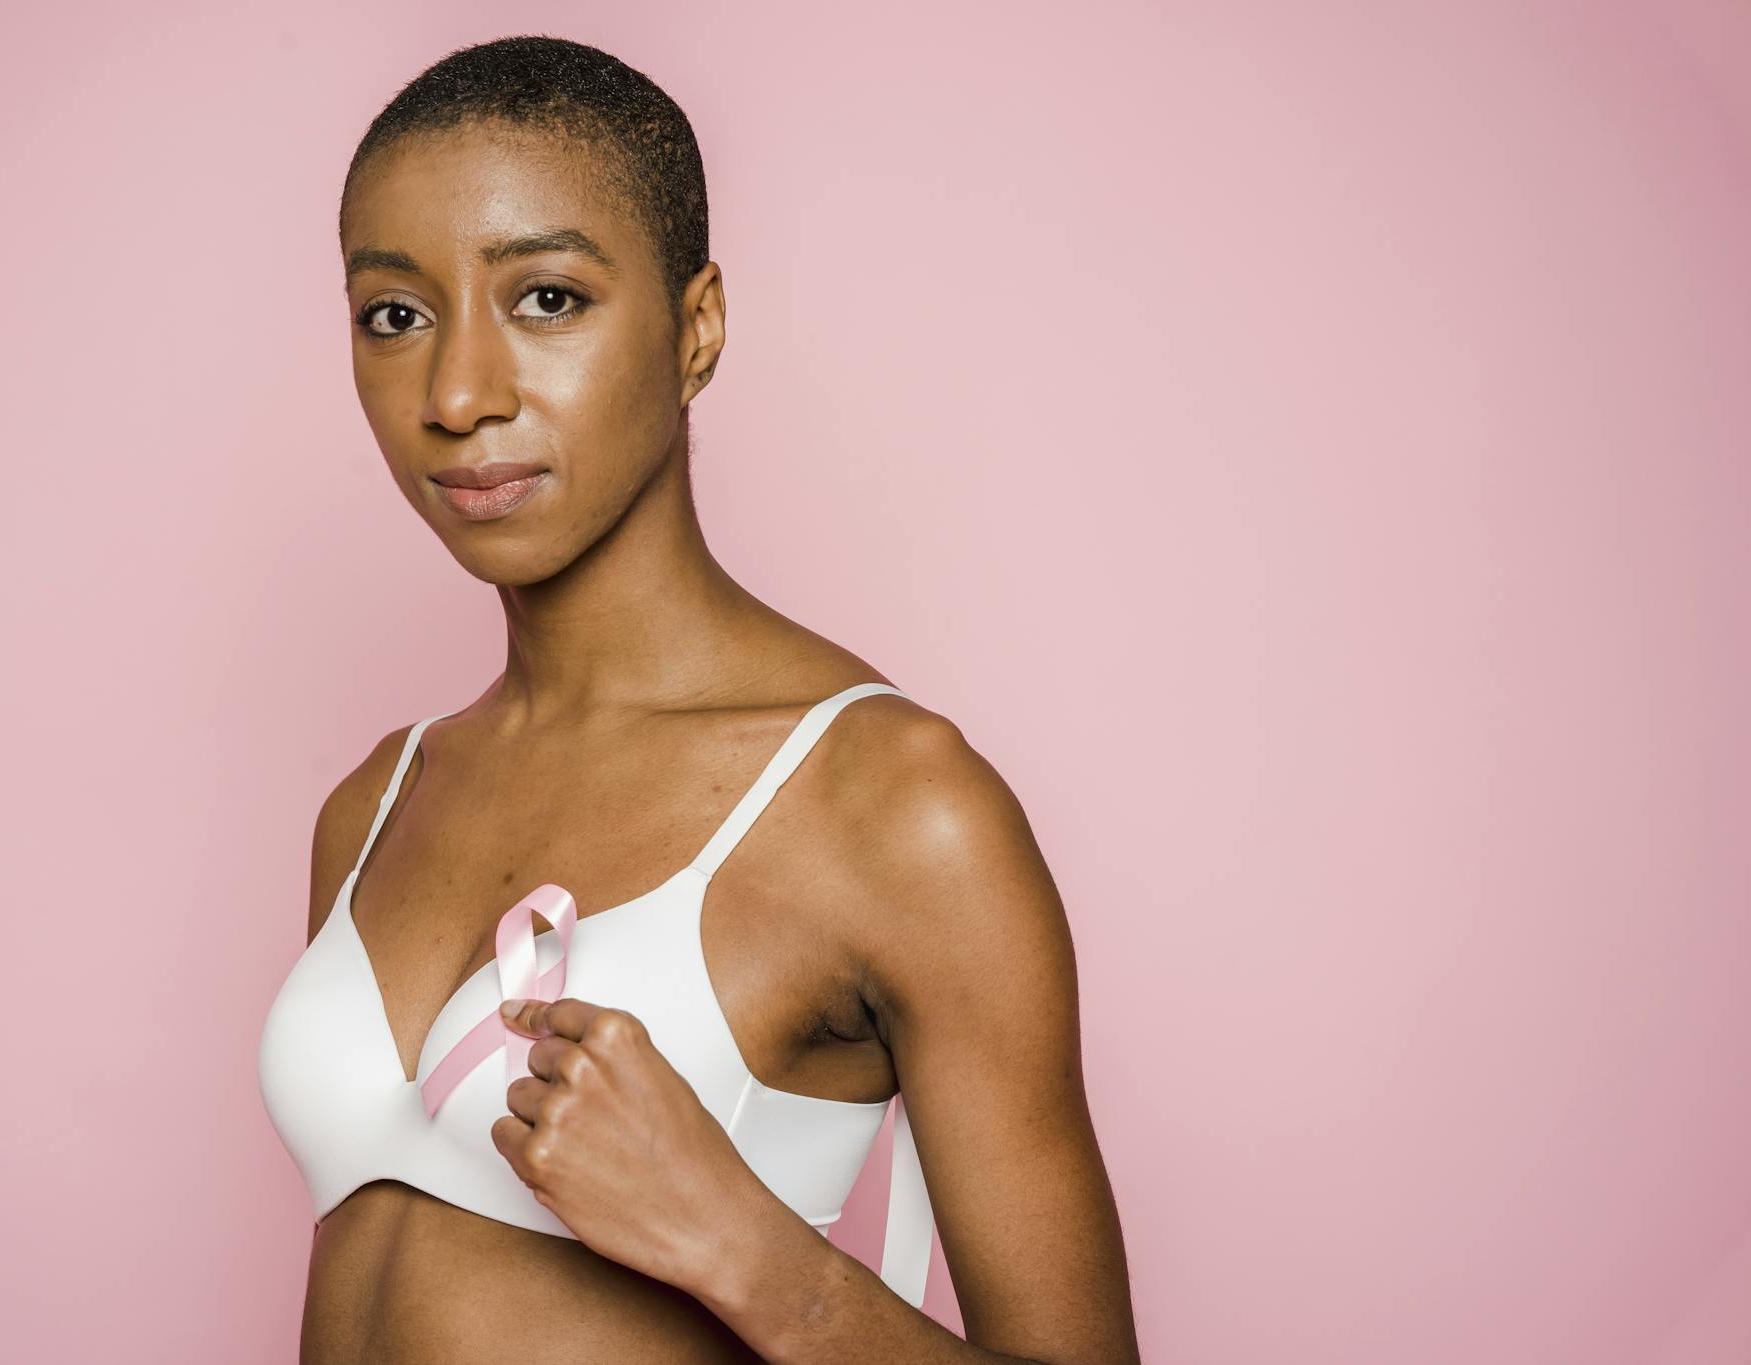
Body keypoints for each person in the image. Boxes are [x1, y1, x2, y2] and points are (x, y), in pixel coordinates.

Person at [257, 33, 1139, 1365]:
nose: (456, 394)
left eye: (546, 298)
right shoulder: (376, 803)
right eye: (397, 314)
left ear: (698, 325)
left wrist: (742, 1244)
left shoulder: (894, 805)